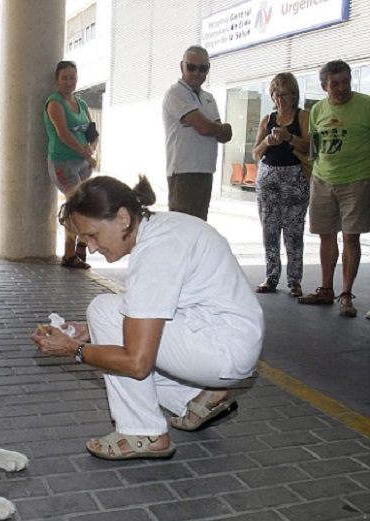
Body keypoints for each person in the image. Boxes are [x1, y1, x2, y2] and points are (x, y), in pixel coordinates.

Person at [31, 175, 264, 460]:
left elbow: (137, 364)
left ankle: (143, 432)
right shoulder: (163, 229)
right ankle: (192, 398)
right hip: (227, 338)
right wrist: (91, 331)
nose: (91, 248)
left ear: (123, 218)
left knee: (104, 312)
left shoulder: (156, 252)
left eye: (93, 235)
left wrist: (74, 349)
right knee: (104, 317)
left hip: (223, 350)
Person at [297, 60, 370, 318]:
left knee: (351, 237)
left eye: (345, 82)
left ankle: (346, 295)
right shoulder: (317, 110)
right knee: (326, 235)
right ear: (324, 86)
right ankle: (326, 289)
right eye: (335, 84)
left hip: (357, 179)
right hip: (322, 180)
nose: (341, 88)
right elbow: (314, 147)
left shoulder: (366, 105)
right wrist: (313, 174)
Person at [251, 73, 310, 297]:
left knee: (294, 231)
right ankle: (271, 276)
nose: (279, 98)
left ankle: (295, 280)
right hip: (268, 179)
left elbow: (310, 147)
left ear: (294, 95)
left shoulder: (303, 116)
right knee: (269, 229)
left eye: (284, 93)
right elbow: (255, 153)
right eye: (275, 93)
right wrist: (267, 141)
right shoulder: (268, 119)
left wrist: (289, 137)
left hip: (295, 178)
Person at [162, 45, 232, 221]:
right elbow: (205, 128)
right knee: (183, 230)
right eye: (191, 67)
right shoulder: (175, 93)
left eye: (202, 68)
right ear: (182, 66)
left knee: (199, 228)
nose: (196, 73)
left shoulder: (208, 97)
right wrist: (214, 127)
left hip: (205, 171)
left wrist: (209, 126)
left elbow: (224, 135)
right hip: (184, 173)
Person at [44, 60, 98, 269]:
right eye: (64, 77)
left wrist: (92, 147)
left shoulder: (81, 103)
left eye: (72, 77)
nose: (69, 82)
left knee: (82, 205)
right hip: (63, 162)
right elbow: (63, 134)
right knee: (76, 206)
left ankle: (81, 246)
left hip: (83, 163)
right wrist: (86, 153)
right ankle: (69, 254)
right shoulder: (54, 103)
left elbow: (91, 131)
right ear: (57, 80)